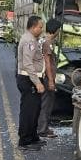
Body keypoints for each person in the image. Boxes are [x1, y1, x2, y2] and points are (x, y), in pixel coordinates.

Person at [16, 15, 46, 151]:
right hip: (28, 79)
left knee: (35, 109)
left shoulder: (33, 39)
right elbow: (28, 63)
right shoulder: (29, 41)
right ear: (33, 27)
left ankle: (33, 137)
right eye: (40, 27)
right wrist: (37, 82)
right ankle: (24, 141)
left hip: (32, 78)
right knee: (29, 111)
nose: (42, 29)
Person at [37, 19, 63, 139]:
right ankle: (42, 130)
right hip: (48, 78)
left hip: (47, 77)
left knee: (46, 103)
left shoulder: (47, 41)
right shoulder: (47, 43)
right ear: (55, 30)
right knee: (46, 104)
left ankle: (44, 127)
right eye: (59, 30)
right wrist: (51, 80)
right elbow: (47, 63)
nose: (59, 32)